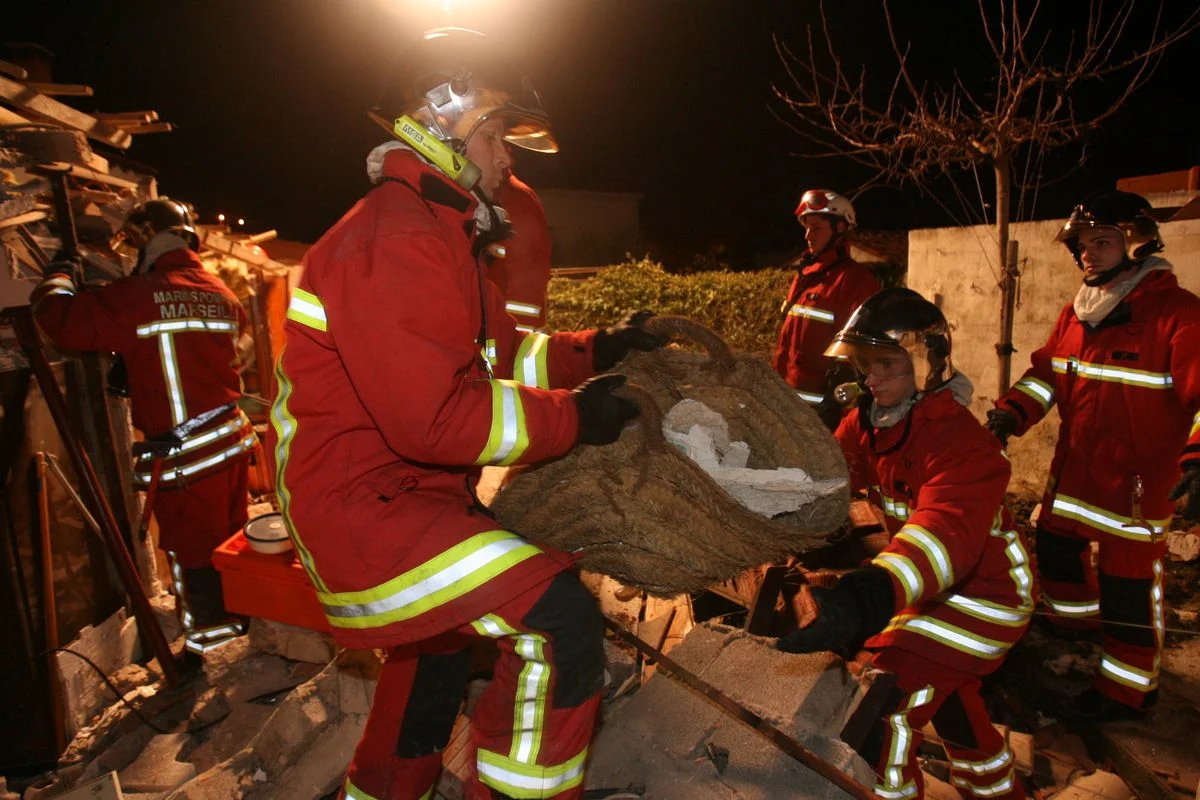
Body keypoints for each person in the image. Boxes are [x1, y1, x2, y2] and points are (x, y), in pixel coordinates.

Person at [267, 28, 662, 800]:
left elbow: (504, 361)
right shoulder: (395, 235)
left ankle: (381, 789)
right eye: (496, 133)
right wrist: (577, 421)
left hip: (397, 499)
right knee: (560, 624)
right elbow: (436, 421)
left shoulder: (439, 235)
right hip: (362, 516)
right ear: (440, 119)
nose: (508, 158)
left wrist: (597, 350)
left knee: (439, 644)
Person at [778, 288, 1032, 800]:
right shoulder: (874, 421)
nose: (871, 380)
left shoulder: (960, 442)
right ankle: (998, 792)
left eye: (888, 365)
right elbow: (828, 477)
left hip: (985, 600)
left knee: (882, 706)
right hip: (929, 591)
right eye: (864, 366)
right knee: (953, 701)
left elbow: (944, 534)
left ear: (926, 366)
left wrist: (869, 594)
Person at [987, 190, 1200, 721]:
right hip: (1077, 473)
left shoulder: (1179, 315)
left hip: (1136, 487)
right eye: (1081, 245)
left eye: (1101, 241)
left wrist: (1196, 461)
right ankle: (1077, 629)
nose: (1087, 254)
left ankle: (1129, 690)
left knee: (1127, 589)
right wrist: (1013, 411)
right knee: (1057, 551)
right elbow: (1047, 374)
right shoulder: (1080, 313)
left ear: (1138, 241)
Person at [32, 197, 256, 655]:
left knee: (194, 555)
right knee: (232, 544)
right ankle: (242, 630)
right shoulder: (221, 291)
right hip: (231, 442)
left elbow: (62, 321)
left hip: (187, 457)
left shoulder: (137, 296)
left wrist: (58, 274)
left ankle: (210, 654)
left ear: (144, 241)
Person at [773, 189, 881, 429]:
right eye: (806, 228)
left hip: (826, 420)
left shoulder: (856, 282)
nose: (808, 236)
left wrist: (838, 408)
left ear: (840, 228)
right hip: (787, 411)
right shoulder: (804, 279)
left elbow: (864, 355)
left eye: (817, 227)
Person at [490, 170, 552, 333]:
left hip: (501, 342)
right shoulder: (483, 193)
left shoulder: (515, 199)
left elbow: (527, 283)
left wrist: (514, 345)